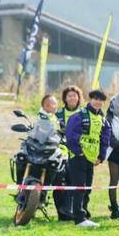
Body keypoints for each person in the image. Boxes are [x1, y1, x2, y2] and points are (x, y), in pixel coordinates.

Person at [65, 90, 111, 227]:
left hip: (91, 159)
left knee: (87, 188)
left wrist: (101, 157)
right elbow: (70, 134)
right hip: (78, 157)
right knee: (80, 187)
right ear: (90, 100)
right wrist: (79, 152)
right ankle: (79, 219)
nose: (97, 102)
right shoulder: (79, 115)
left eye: (100, 100)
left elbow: (105, 139)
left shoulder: (103, 120)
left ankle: (84, 215)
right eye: (95, 99)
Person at [54, 86, 84, 221]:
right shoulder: (58, 114)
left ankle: (77, 211)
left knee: (76, 183)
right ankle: (62, 212)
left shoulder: (84, 113)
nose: (72, 98)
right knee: (59, 182)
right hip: (60, 153)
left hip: (78, 153)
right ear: (65, 98)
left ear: (79, 98)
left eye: (74, 95)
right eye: (69, 96)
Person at [105, 91, 119, 219]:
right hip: (114, 152)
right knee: (114, 180)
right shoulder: (110, 117)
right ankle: (114, 208)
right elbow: (108, 134)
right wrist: (118, 146)